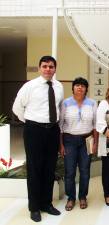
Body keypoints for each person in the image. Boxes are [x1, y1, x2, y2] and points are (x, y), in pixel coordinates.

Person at [12, 56, 64, 222]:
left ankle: (46, 204)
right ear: (40, 68)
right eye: (45, 66)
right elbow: (17, 107)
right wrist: (30, 122)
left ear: (55, 68)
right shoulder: (30, 86)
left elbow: (59, 107)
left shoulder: (59, 86)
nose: (48, 69)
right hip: (34, 130)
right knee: (34, 169)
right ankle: (34, 207)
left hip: (53, 130)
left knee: (49, 168)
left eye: (51, 66)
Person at [59, 77, 98, 211]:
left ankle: (82, 197)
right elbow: (60, 125)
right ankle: (71, 198)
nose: (80, 88)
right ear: (73, 88)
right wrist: (61, 145)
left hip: (86, 140)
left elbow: (95, 125)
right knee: (69, 171)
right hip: (69, 140)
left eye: (83, 86)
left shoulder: (92, 103)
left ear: (86, 89)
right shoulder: (65, 103)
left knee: (85, 171)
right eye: (77, 85)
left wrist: (95, 143)